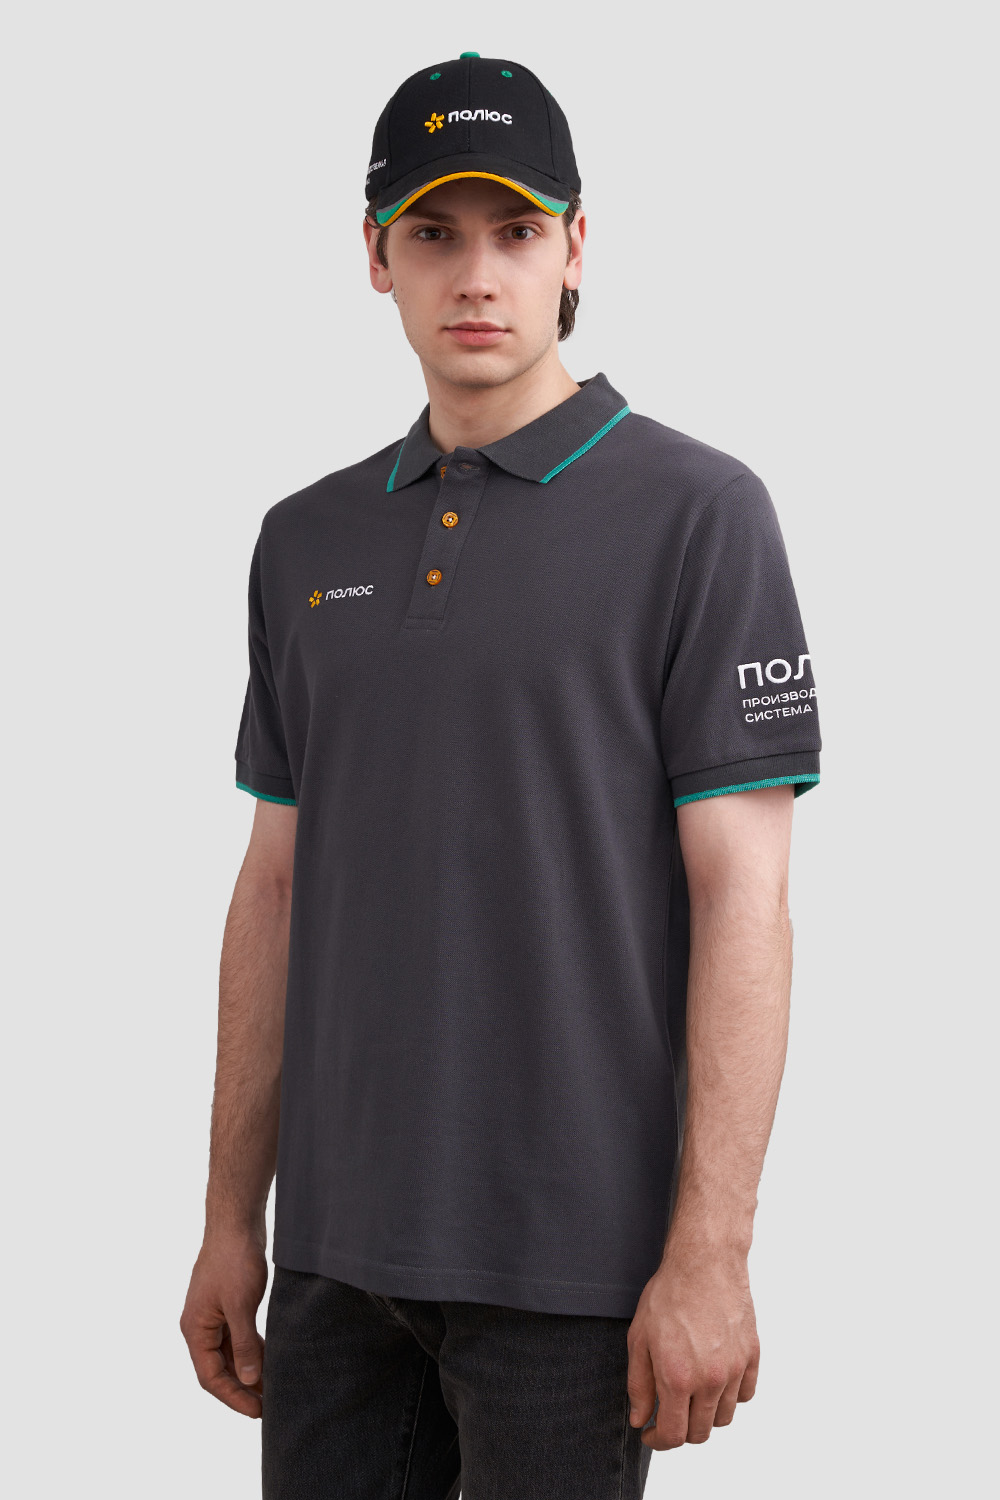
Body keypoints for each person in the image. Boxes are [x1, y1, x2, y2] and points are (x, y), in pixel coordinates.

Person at [179, 50, 822, 1499]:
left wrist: (712, 1253)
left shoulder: (702, 515)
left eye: (517, 231)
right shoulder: (305, 540)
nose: (477, 276)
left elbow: (747, 902)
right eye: (434, 233)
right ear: (376, 255)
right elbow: (274, 888)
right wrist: (231, 1219)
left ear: (576, 247)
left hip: (574, 1273)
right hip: (334, 1263)